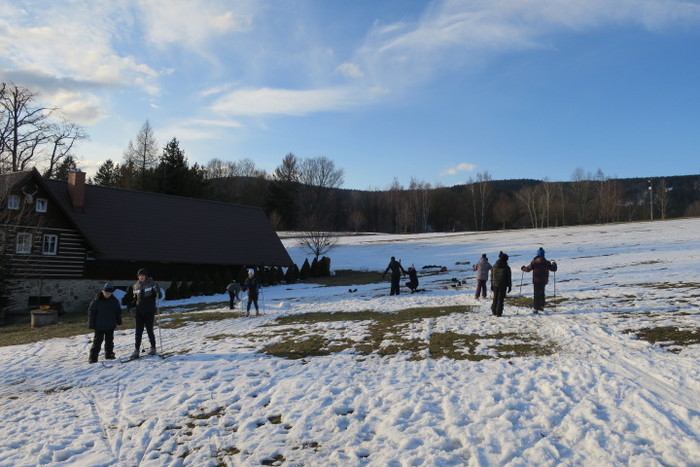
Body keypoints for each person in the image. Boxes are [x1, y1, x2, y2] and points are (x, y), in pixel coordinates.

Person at [129, 268, 162, 358]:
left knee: (149, 330)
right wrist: (132, 303)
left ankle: (153, 347)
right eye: (139, 276)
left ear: (146, 276)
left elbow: (159, 295)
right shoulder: (136, 286)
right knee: (138, 331)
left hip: (149, 310)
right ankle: (136, 350)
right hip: (139, 311)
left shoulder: (152, 283)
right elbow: (135, 298)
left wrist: (157, 293)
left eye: (142, 275)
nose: (141, 277)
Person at [88, 284, 122, 363]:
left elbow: (117, 312)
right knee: (97, 341)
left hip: (110, 324)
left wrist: (119, 321)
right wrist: (91, 324)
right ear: (103, 291)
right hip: (99, 325)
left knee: (109, 341)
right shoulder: (96, 301)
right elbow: (91, 312)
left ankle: (109, 354)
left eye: (109, 293)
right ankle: (93, 357)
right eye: (106, 293)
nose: (108, 295)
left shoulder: (114, 301)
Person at [521, 247, 558, 313]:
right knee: (542, 293)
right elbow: (553, 269)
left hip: (536, 280)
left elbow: (528, 269)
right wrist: (554, 264)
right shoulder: (547, 262)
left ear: (538, 254)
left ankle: (536, 308)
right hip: (544, 280)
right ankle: (541, 306)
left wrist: (523, 268)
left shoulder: (535, 262)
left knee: (536, 294)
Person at [490, 251, 512, 317]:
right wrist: (509, 286)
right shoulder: (507, 267)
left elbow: (492, 276)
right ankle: (499, 312)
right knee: (500, 299)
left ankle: (494, 311)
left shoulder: (494, 266)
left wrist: (492, 284)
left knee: (495, 298)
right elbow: (508, 278)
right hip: (503, 285)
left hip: (495, 284)